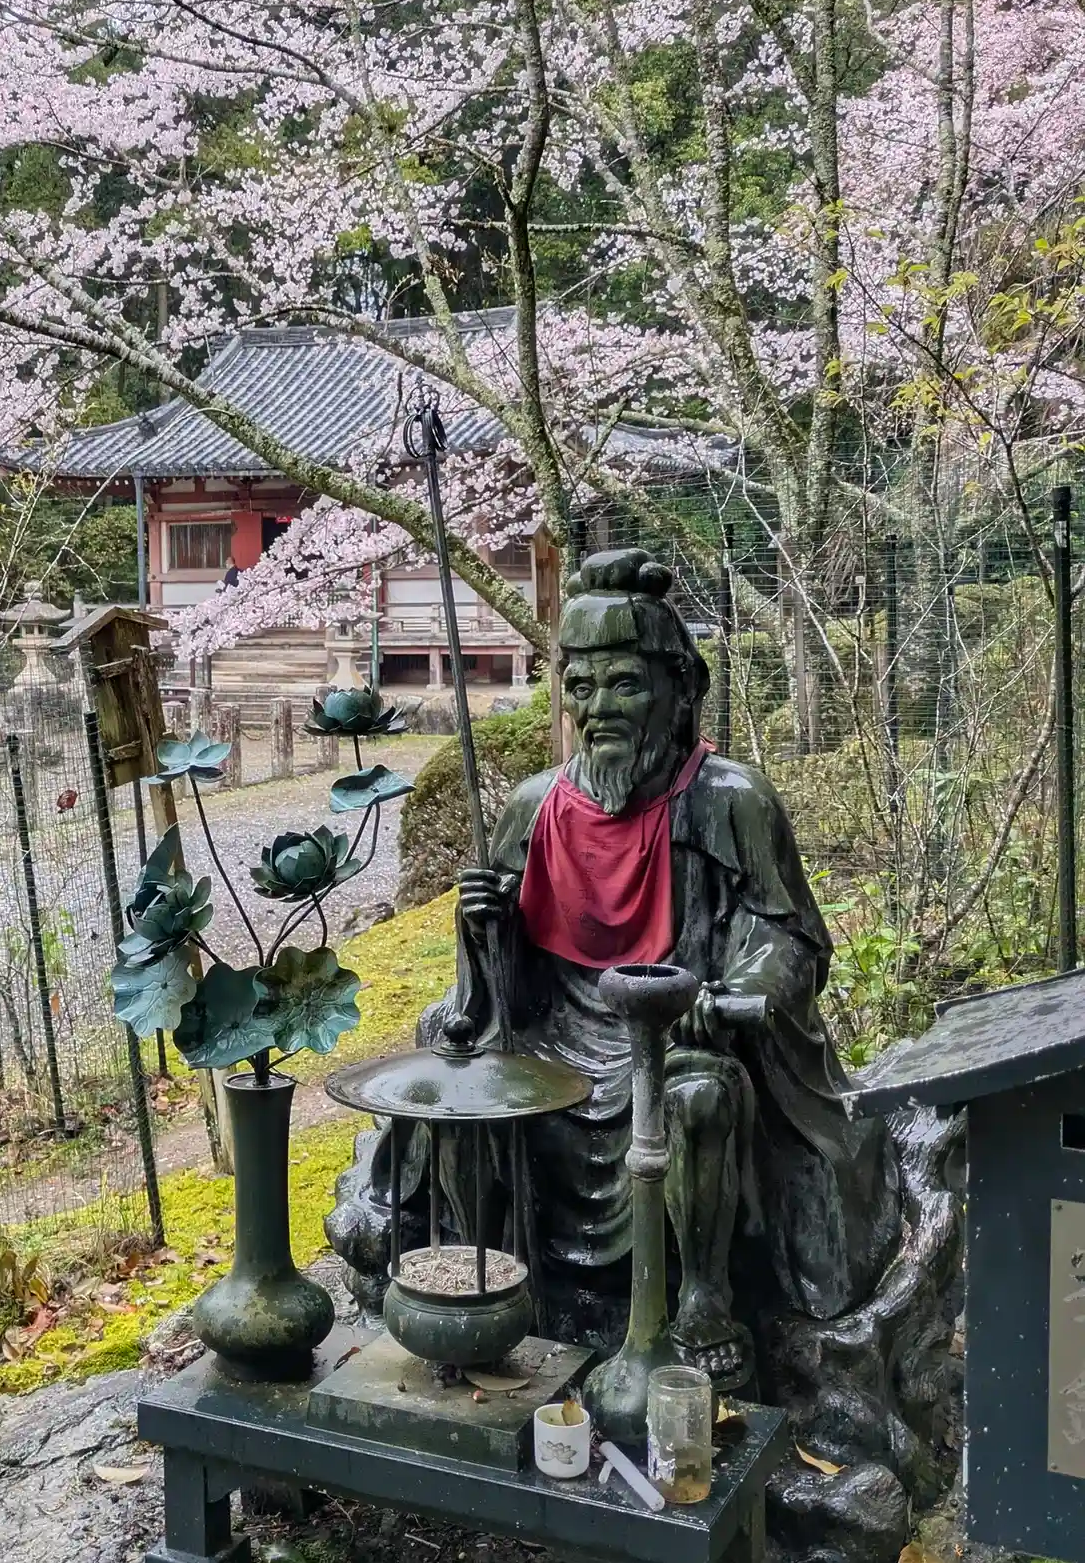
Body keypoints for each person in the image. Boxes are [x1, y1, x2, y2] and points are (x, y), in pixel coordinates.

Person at [327, 548, 901, 1390]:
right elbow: (499, 990)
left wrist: (732, 994)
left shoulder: (731, 801)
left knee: (699, 1097)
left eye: (625, 684)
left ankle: (702, 1297)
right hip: (556, 1034)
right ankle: (483, 1271)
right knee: (464, 1077)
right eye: (582, 686)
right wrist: (487, 933)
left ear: (680, 690)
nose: (599, 708)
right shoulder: (534, 807)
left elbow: (789, 940)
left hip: (674, 1036)